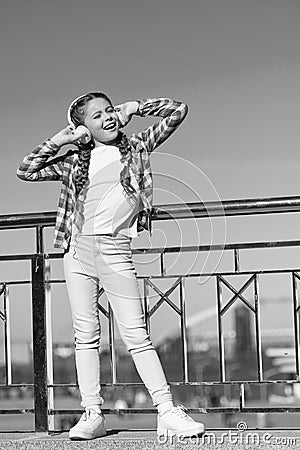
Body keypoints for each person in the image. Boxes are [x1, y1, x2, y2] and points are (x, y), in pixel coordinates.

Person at [17, 92, 205, 440]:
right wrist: (62, 138)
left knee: (136, 335)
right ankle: (92, 414)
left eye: (109, 110)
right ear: (83, 128)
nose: (107, 117)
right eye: (96, 115)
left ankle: (166, 411)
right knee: (85, 337)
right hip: (75, 250)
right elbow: (26, 169)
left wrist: (135, 107)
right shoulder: (74, 160)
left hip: (115, 249)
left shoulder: (136, 146)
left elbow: (178, 111)